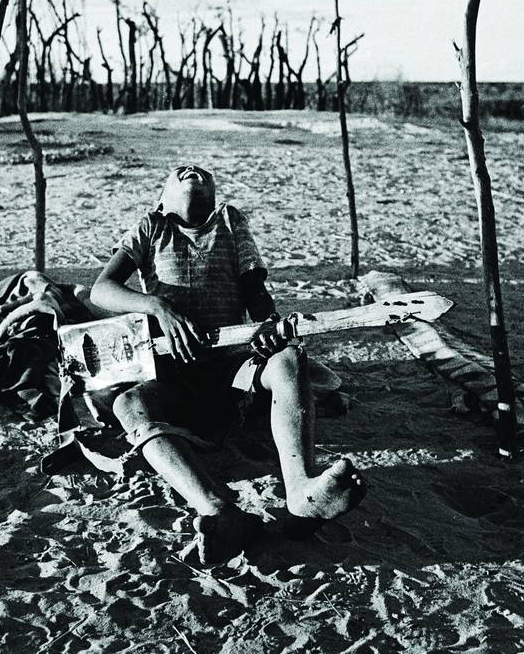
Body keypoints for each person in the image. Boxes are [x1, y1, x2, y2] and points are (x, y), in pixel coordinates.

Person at [90, 164, 366, 564]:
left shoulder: (229, 222)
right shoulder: (151, 227)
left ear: (215, 194)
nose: (190, 171)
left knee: (289, 359)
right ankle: (217, 509)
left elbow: (256, 290)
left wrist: (268, 327)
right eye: (180, 171)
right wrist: (156, 304)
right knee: (127, 405)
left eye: (201, 172)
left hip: (232, 371)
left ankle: (300, 491)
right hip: (173, 378)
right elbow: (102, 289)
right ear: (163, 199)